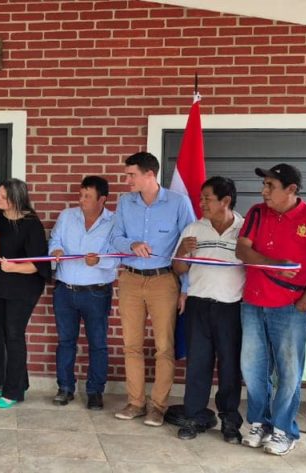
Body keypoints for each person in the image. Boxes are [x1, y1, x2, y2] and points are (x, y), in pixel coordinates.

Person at [235, 163, 306, 455]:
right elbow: (242, 249)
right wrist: (275, 265)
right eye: (264, 185)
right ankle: (259, 422)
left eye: (270, 186)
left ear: (291, 190)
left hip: (290, 307)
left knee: (289, 371)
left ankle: (283, 429)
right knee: (253, 368)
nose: (264, 191)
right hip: (253, 302)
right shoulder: (256, 212)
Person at [110, 151, 195, 426]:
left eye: (131, 175)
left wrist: (185, 288)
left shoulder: (178, 203)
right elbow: (115, 237)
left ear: (150, 174)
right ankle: (136, 402)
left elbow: (190, 245)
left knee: (164, 347)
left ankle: (158, 406)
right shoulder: (125, 203)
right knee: (131, 345)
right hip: (131, 279)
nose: (127, 180)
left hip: (164, 281)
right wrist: (131, 245)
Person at [171, 176, 245, 443]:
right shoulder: (194, 228)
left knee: (229, 367)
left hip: (231, 308)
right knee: (198, 364)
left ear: (225, 201)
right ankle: (194, 417)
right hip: (198, 306)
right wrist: (182, 251)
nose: (201, 203)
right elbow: (178, 269)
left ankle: (229, 421)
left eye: (207, 198)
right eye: (201, 198)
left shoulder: (244, 229)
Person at [48, 176, 119, 410]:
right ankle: (65, 388)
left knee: (98, 343)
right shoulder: (67, 216)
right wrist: (56, 249)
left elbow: (118, 255)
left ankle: (95, 392)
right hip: (65, 291)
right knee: (65, 341)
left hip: (96, 293)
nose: (81, 200)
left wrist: (100, 261)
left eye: (87, 196)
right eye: (81, 195)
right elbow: (54, 240)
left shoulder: (114, 222)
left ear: (102, 199)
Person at [0, 178, 50, 409]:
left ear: (16, 198)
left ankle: (12, 391)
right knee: (6, 333)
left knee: (14, 334)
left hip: (24, 287)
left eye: (3, 197)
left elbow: (40, 264)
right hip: (0, 285)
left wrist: (14, 267)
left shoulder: (31, 224)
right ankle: (19, 382)